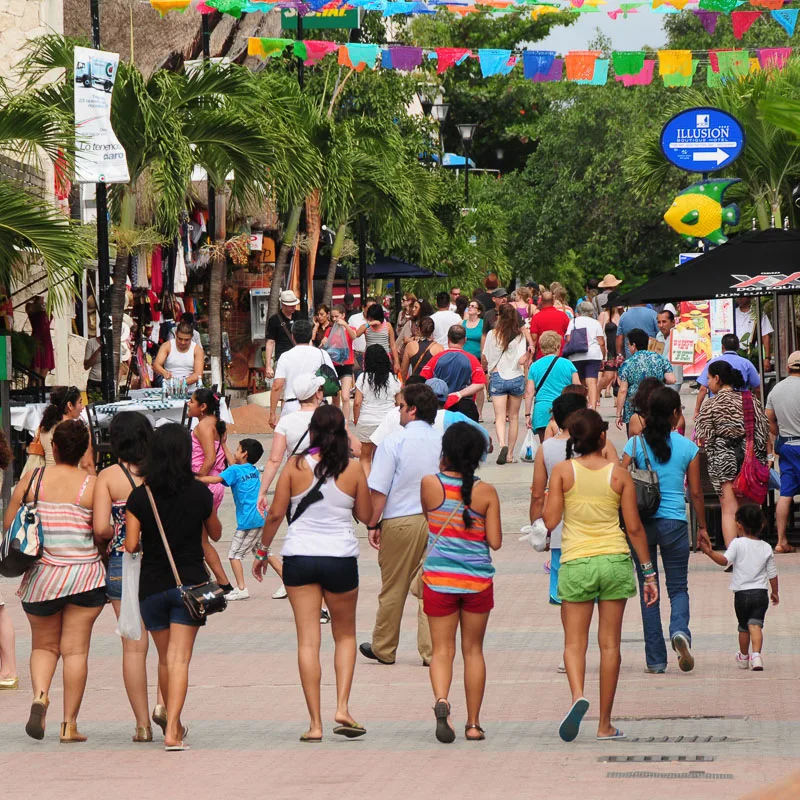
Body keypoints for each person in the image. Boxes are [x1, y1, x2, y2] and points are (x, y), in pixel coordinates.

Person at [253, 405, 372, 741]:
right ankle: (343, 707)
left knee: (308, 640)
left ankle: (315, 724)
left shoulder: (295, 465)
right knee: (345, 635)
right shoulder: (352, 469)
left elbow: (276, 514)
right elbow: (365, 515)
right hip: (340, 558)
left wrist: (262, 552)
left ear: (314, 431)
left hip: (299, 557)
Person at [543, 409, 657, 742]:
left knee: (574, 643)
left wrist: (547, 501)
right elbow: (634, 528)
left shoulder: (563, 472)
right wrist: (648, 573)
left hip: (577, 562)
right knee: (610, 646)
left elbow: (550, 521)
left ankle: (578, 695)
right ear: (603, 438)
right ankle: (605, 723)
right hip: (614, 561)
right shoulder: (618, 475)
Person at [7, 420, 106, 742]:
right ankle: (69, 725)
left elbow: (10, 525)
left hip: (42, 580)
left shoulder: (32, 480)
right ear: (83, 451)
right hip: (85, 577)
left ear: (54, 447)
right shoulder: (91, 484)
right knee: (75, 652)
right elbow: (102, 532)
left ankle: (40, 696)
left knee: (44, 646)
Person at [125, 423, 222, 751]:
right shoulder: (199, 493)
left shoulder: (141, 495)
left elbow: (131, 544)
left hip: (151, 588)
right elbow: (216, 533)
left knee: (166, 658)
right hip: (189, 586)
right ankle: (172, 729)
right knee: (179, 659)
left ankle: (172, 722)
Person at [622, 387, 709, 674]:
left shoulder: (634, 445)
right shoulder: (687, 447)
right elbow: (695, 493)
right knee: (678, 587)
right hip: (675, 524)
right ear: (674, 414)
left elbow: (619, 484)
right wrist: (703, 528)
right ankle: (679, 630)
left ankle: (656, 660)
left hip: (641, 526)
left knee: (650, 589)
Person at [421, 424, 499, 744]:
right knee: (473, 651)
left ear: (445, 453)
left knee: (442, 650)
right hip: (477, 582)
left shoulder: (429, 485)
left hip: (439, 580)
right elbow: (494, 541)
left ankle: (442, 701)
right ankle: (473, 724)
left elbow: (430, 519)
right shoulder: (487, 492)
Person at [360, 383, 442, 666]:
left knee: (393, 587)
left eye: (400, 406)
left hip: (400, 520)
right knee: (431, 588)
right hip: (439, 521)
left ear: (412, 410)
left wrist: (373, 523)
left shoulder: (394, 443)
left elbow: (379, 491)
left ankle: (384, 647)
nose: (398, 411)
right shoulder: (442, 440)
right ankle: (432, 652)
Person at [93, 411, 158, 741]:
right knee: (169, 645)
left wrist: (119, 528)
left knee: (134, 646)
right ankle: (166, 709)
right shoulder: (159, 472)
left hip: (122, 562)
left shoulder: (108, 476)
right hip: (160, 565)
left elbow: (100, 528)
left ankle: (142, 725)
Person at [530, 394, 600, 614]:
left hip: (561, 530)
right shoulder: (597, 445)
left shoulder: (546, 448)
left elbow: (538, 494)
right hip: (596, 532)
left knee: (566, 599)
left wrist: (537, 526)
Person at [695, 361, 769, 546]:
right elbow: (762, 431)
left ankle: (732, 555)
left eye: (709, 378)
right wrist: (760, 458)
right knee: (746, 507)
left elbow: (703, 436)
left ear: (717, 379)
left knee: (728, 508)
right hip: (748, 458)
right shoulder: (750, 400)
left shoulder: (710, 404)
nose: (708, 382)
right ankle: (749, 551)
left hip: (722, 458)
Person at [699, 504, 778, 672]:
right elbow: (772, 573)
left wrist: (709, 552)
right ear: (762, 525)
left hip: (742, 594)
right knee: (755, 625)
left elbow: (725, 561)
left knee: (743, 627)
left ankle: (743, 657)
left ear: (739, 524)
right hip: (760, 594)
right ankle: (756, 656)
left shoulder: (737, 544)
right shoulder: (766, 547)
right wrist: (775, 592)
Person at [198, 438, 265, 601]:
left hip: (247, 522)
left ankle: (241, 588)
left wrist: (194, 478)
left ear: (244, 453)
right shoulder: (252, 469)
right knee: (264, 553)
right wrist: (224, 444)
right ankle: (287, 580)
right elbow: (232, 460)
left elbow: (215, 480)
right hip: (261, 518)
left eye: (238, 449)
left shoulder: (234, 471)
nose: (234, 452)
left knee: (234, 555)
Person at [188, 387, 233, 593]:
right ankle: (209, 578)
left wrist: (198, 483)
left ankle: (222, 581)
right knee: (199, 538)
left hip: (205, 482)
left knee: (201, 539)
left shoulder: (204, 426)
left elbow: (210, 458)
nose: (188, 404)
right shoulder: (215, 424)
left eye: (192, 401)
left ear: (203, 407)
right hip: (213, 483)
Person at [483, 303, 527, 465]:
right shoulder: (520, 336)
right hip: (516, 377)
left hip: (498, 376)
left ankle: (502, 444)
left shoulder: (492, 334)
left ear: (498, 316)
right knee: (514, 418)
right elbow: (522, 360)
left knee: (500, 417)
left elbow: (485, 357)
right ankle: (510, 455)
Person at [766, 351, 800, 554]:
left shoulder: (776, 391)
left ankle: (781, 541)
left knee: (786, 493)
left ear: (788, 368)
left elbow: (769, 419)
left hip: (787, 446)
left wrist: (778, 434)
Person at [269, 320, 334, 426]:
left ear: (293, 336)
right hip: (318, 406)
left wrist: (272, 414)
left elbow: (277, 386)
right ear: (311, 335)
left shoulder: (285, 356)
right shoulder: (322, 354)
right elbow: (333, 381)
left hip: (292, 406)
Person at [420, 326, 487, 422]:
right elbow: (480, 383)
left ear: (448, 339)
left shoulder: (436, 358)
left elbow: (423, 380)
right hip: (466, 407)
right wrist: (459, 394)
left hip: (441, 407)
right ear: (465, 340)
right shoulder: (472, 359)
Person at [354, 345, 402, 479]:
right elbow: (399, 403)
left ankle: (367, 491)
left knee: (365, 458)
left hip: (367, 421)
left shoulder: (362, 378)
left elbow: (357, 402)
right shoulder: (393, 379)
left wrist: (357, 420)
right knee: (383, 458)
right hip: (387, 423)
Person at [615, 329, 675, 432]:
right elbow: (672, 379)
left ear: (634, 345)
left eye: (628, 345)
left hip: (634, 408)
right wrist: (658, 378)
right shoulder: (659, 358)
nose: (628, 348)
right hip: (656, 403)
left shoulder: (627, 364)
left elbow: (623, 390)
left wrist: (618, 414)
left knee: (635, 441)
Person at [524, 331, 580, 441]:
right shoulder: (568, 364)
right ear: (558, 346)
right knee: (565, 444)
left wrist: (527, 414)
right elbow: (577, 387)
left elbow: (529, 393)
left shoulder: (534, 366)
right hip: (564, 409)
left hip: (542, 409)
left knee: (545, 447)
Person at [27, 386, 94, 475]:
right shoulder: (77, 430)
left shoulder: (44, 427)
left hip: (46, 478)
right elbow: (86, 464)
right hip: (70, 479)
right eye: (80, 402)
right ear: (70, 405)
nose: (82, 407)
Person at [694, 334, 760, 418]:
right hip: (741, 409)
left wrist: (697, 411)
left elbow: (703, 389)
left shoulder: (712, 363)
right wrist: (757, 407)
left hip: (717, 410)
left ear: (722, 347)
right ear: (738, 347)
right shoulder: (746, 363)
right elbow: (758, 388)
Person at [564, 302, 606, 409]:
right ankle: (593, 407)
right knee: (592, 382)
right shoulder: (596, 323)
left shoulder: (573, 322)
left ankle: (582, 405)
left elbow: (568, 338)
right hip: (593, 355)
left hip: (576, 355)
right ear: (591, 312)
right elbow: (601, 342)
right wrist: (603, 356)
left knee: (580, 382)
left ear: (578, 311)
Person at [320, 305, 356, 422]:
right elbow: (324, 346)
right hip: (333, 366)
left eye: (337, 316)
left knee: (345, 396)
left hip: (346, 365)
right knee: (335, 397)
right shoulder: (329, 330)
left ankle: (345, 422)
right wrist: (323, 343)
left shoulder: (349, 328)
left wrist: (345, 325)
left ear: (343, 315)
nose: (334, 319)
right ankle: (337, 421)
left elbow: (354, 336)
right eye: (333, 317)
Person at [264, 290, 304, 380]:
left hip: (300, 358)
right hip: (282, 359)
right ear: (283, 305)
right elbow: (270, 342)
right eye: (291, 306)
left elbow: (307, 338)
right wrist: (268, 366)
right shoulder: (274, 320)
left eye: (294, 305)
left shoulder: (300, 316)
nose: (294, 307)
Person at [153, 320, 204, 389]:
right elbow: (156, 365)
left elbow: (198, 374)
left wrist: (180, 383)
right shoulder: (166, 346)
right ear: (176, 334)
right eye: (180, 339)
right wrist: (164, 372)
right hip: (169, 389)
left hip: (189, 391)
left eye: (186, 340)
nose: (183, 342)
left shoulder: (197, 350)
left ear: (192, 337)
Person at [354, 303, 400, 373]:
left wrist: (396, 362)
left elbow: (393, 345)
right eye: (369, 317)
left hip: (384, 358)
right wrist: (369, 324)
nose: (370, 319)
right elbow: (357, 334)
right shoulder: (366, 327)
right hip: (370, 359)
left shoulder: (388, 326)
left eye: (372, 318)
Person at [734, 296, 773, 372]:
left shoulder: (758, 313)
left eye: (742, 296)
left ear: (749, 297)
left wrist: (767, 358)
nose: (739, 298)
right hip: (735, 353)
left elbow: (765, 336)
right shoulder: (732, 313)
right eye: (737, 296)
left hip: (752, 355)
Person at [598, 292, 625, 398]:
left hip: (622, 349)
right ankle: (596, 393)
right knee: (608, 376)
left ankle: (618, 403)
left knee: (622, 377)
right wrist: (602, 349)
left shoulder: (624, 315)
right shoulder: (604, 315)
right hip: (609, 349)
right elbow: (599, 333)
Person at [462, 300, 485, 418]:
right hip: (464, 358)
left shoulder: (482, 324)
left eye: (473, 306)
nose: (470, 308)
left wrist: (484, 359)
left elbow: (485, 341)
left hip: (477, 358)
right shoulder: (462, 323)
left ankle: (479, 411)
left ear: (479, 311)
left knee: (479, 384)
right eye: (469, 306)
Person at [529, 292, 570, 359]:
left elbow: (534, 339)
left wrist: (530, 358)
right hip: (560, 354)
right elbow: (567, 334)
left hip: (542, 355)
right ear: (553, 301)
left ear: (541, 301)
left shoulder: (536, 317)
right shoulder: (563, 316)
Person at [26, 295, 55, 379]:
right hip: (37, 338)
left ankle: (40, 390)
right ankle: (33, 390)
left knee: (43, 375)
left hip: (46, 339)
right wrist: (41, 303)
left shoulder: (46, 305)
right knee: (35, 372)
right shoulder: (31, 305)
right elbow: (31, 309)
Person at [656, 309, 683, 392]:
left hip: (674, 377)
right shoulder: (658, 335)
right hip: (660, 378)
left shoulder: (679, 335)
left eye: (664, 322)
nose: (661, 325)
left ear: (673, 322)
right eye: (659, 322)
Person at [83, 333, 104, 398]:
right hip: (94, 381)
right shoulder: (91, 342)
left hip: (109, 383)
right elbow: (86, 366)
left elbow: (122, 366)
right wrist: (98, 350)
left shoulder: (116, 343)